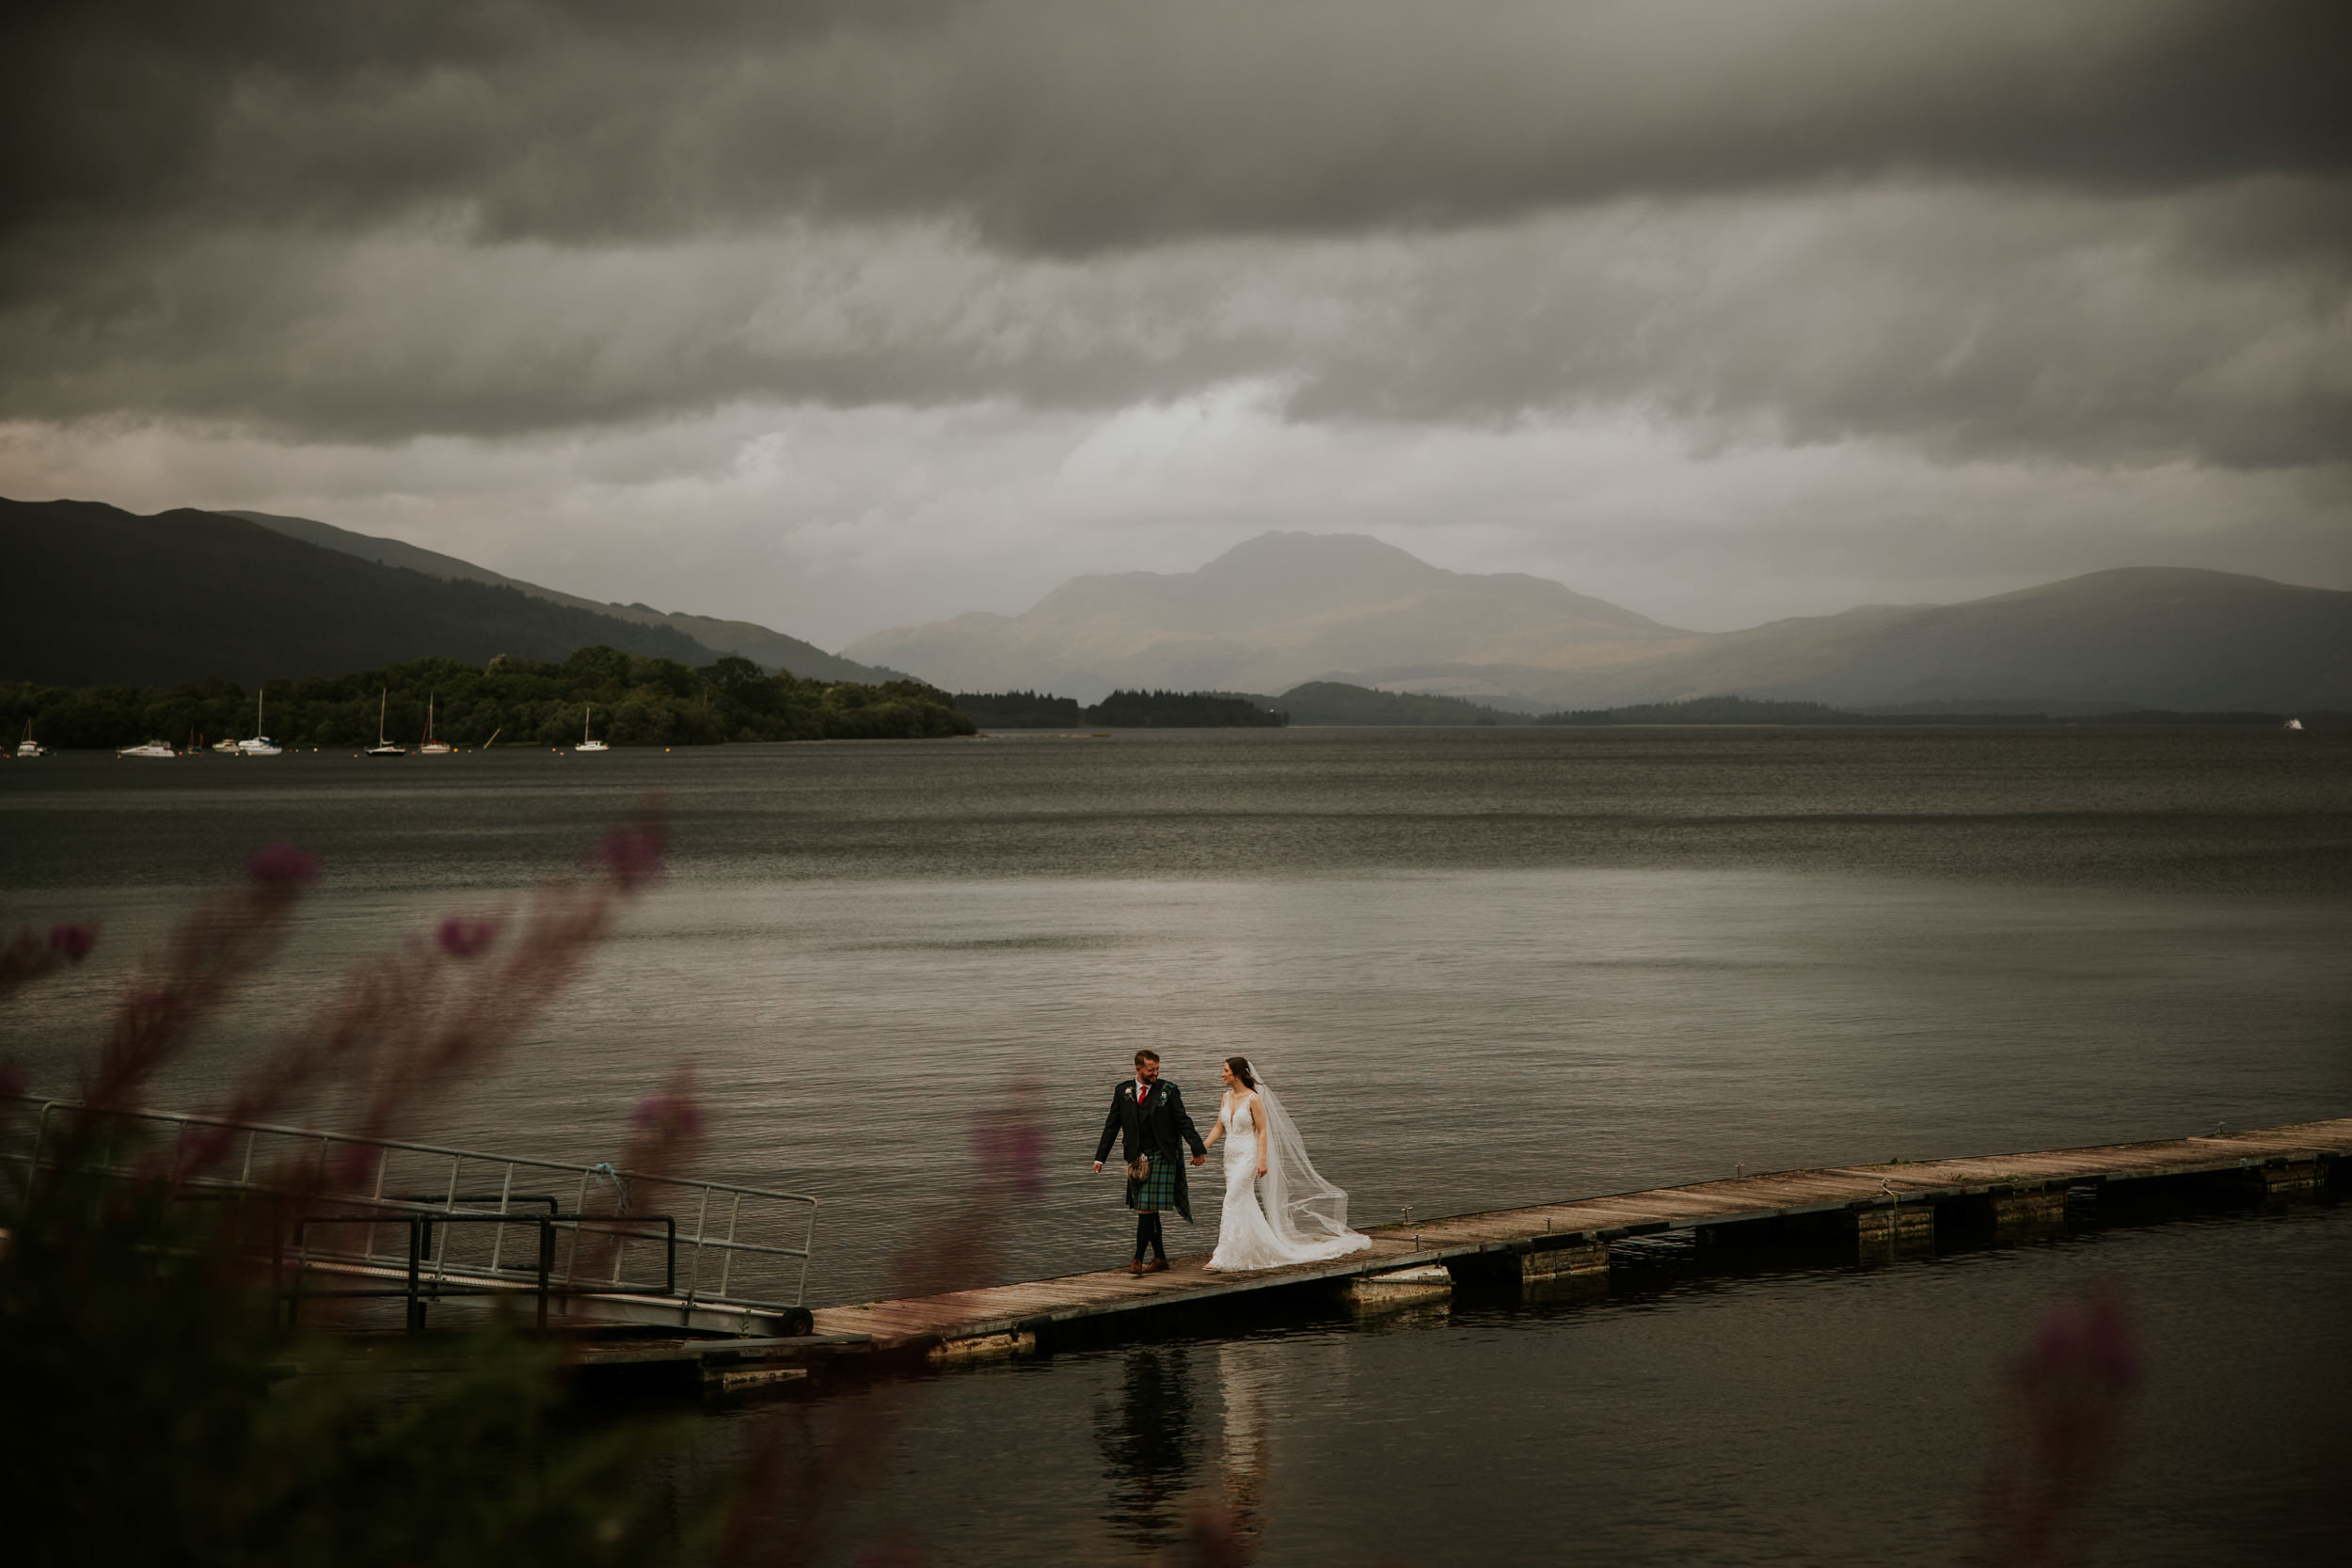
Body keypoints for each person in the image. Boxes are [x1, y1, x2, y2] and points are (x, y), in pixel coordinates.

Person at [1200, 1056, 1370, 1273]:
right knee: (1243, 1202)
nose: (1222, 1074)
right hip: (1230, 1157)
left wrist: (1262, 1159)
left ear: (1237, 1074)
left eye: (1225, 1070)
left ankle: (1222, 1255)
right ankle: (1247, 1247)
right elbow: (1218, 1127)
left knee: (1232, 1199)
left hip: (1248, 1155)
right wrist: (1202, 1148)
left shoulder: (1253, 1099)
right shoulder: (1226, 1097)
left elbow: (1262, 1130)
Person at [1092, 1049, 1207, 1275]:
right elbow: (1112, 1126)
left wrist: (1197, 1148)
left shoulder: (1168, 1091)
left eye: (1157, 1069)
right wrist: (1100, 1158)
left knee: (1145, 1207)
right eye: (1150, 1070)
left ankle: (1137, 1259)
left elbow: (1184, 1121)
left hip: (1162, 1154)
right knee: (1148, 1209)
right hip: (1137, 1157)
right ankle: (1161, 1258)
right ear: (1138, 1069)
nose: (1155, 1073)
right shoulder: (1122, 1092)